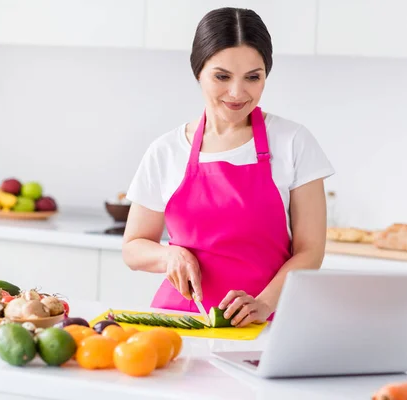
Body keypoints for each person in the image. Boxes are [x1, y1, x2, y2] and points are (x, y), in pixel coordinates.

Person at [122, 7, 335, 327]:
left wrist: (262, 304)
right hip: (180, 322)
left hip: (265, 324)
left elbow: (310, 251)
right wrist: (170, 255)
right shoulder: (166, 151)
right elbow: (133, 248)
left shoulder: (293, 142)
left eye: (253, 77)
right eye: (222, 76)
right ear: (198, 72)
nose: (237, 92)